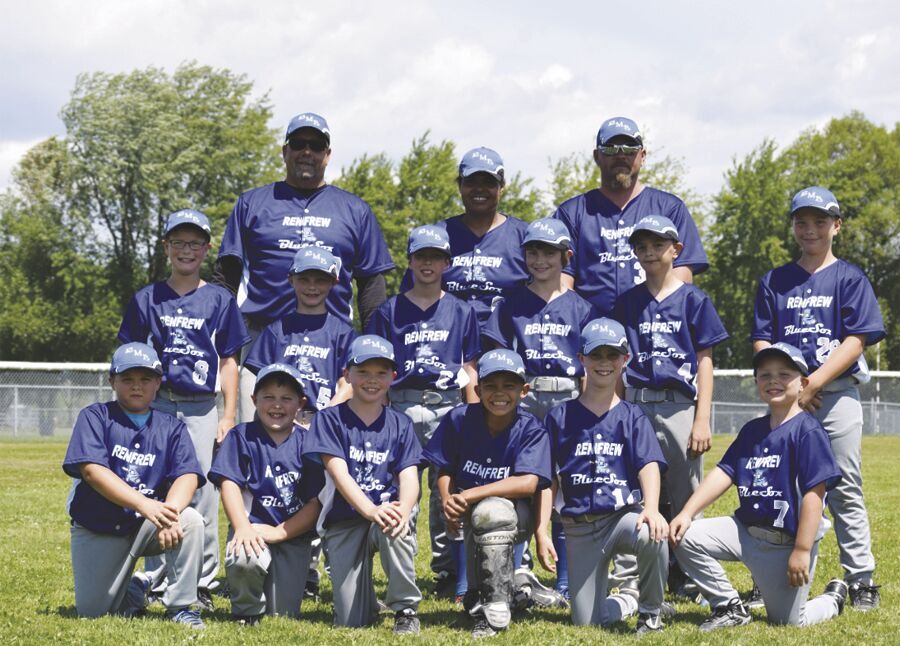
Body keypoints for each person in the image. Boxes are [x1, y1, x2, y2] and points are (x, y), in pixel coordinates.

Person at [751, 186, 886, 610]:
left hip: (836, 395)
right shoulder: (774, 281)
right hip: (788, 400)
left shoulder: (849, 277)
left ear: (837, 226)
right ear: (793, 226)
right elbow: (761, 340)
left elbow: (857, 339)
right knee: (779, 486)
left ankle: (860, 579)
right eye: (802, 222)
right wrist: (787, 387)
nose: (810, 229)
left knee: (843, 485)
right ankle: (771, 575)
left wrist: (812, 384)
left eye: (820, 221)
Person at [215, 112, 394, 421]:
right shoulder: (252, 203)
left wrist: (375, 356)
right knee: (257, 441)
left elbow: (372, 289)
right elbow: (225, 280)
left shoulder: (355, 210)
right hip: (261, 341)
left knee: (330, 440)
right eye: (298, 144)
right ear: (285, 151)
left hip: (332, 343)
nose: (307, 152)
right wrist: (221, 349)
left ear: (328, 153)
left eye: (316, 145)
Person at [118, 209, 250, 606]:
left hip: (200, 407)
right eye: (179, 242)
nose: (186, 250)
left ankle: (201, 582)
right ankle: (157, 577)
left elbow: (229, 361)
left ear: (207, 249)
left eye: (195, 243)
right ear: (166, 247)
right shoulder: (146, 299)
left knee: (203, 493)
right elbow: (129, 358)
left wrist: (228, 415)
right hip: (156, 406)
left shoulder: (220, 300)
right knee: (156, 487)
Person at [670, 343, 848, 630]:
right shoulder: (752, 430)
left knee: (789, 621)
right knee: (683, 535)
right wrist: (686, 513)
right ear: (756, 383)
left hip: (786, 543)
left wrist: (802, 549)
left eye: (784, 374)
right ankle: (729, 605)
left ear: (803, 383)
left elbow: (815, 496)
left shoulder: (808, 431)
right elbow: (724, 473)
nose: (773, 381)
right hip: (746, 532)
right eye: (765, 375)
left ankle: (832, 600)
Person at [482, 216, 595, 603]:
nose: (540, 259)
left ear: (566, 257)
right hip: (524, 396)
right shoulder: (511, 304)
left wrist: (585, 410)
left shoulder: (581, 308)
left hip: (566, 396)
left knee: (566, 481)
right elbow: (498, 358)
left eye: (549, 252)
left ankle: (564, 578)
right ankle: (517, 570)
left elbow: (587, 367)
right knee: (521, 478)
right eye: (532, 252)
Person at [537, 318, 672, 633]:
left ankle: (650, 613)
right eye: (596, 355)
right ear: (581, 358)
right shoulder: (559, 417)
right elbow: (548, 478)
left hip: (621, 518)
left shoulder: (632, 415)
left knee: (652, 533)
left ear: (625, 359)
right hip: (580, 527)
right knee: (587, 621)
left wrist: (652, 508)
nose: (604, 362)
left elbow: (649, 464)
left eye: (612, 355)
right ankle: (628, 600)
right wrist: (542, 530)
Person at [366, 224, 480, 594]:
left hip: (447, 405)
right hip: (403, 405)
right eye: (421, 257)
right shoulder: (389, 311)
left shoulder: (461, 311)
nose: (428, 263)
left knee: (447, 489)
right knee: (404, 490)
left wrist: (473, 414)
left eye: (435, 257)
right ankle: (404, 570)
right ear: (410, 261)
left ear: (447, 262)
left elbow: (470, 367)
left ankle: (448, 571)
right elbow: (377, 371)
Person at [63, 342, 206, 628]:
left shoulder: (171, 427)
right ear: (112, 381)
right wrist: (144, 504)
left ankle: (180, 606)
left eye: (145, 379)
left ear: (158, 383)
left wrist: (169, 513)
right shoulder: (95, 416)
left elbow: (187, 475)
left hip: (147, 525)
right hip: (100, 524)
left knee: (190, 520)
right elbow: (92, 471)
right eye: (127, 378)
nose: (137, 386)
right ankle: (135, 587)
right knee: (93, 612)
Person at [422, 349, 551, 638]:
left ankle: (495, 612)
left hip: (514, 517)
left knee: (491, 510)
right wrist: (448, 501)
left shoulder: (531, 428)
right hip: (471, 513)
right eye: (491, 385)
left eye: (509, 385)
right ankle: (515, 591)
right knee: (473, 595)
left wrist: (469, 495)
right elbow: (445, 468)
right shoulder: (459, 419)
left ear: (524, 391)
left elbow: (528, 483)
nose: (499, 393)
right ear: (478, 390)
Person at [303, 335, 423, 634]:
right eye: (363, 371)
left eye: (381, 372)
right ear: (347, 375)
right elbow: (338, 473)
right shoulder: (329, 419)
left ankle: (406, 610)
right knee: (351, 620)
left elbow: (410, 476)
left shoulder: (401, 423)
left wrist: (403, 510)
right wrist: (370, 511)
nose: (372, 380)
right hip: (344, 519)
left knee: (394, 523)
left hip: (384, 513)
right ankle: (366, 602)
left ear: (393, 377)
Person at [552, 116, 708, 317]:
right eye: (610, 149)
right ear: (597, 156)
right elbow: (561, 283)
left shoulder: (670, 208)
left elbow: (681, 281)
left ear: (642, 155)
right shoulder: (571, 213)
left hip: (653, 326)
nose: (620, 155)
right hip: (588, 330)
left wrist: (658, 325)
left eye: (629, 149)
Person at [208, 363, 324, 624]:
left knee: (283, 613)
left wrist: (280, 532)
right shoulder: (241, 436)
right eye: (268, 397)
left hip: (292, 535)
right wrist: (242, 527)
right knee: (244, 558)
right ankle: (246, 610)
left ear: (301, 403)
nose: (277, 405)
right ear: (254, 400)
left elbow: (315, 503)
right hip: (253, 529)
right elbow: (229, 484)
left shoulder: (309, 443)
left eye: (286, 398)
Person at [400, 146, 529, 328]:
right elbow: (410, 298)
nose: (479, 189)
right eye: (471, 182)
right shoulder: (435, 237)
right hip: (445, 339)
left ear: (501, 187)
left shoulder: (525, 236)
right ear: (459, 186)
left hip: (507, 340)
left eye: (488, 182)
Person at [244, 246, 355, 425]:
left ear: (334, 282)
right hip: (278, 422)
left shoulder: (343, 333)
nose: (312, 287)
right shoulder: (276, 330)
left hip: (325, 424)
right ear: (291, 280)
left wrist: (323, 420)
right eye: (304, 279)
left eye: (320, 280)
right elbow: (260, 383)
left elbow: (348, 384)